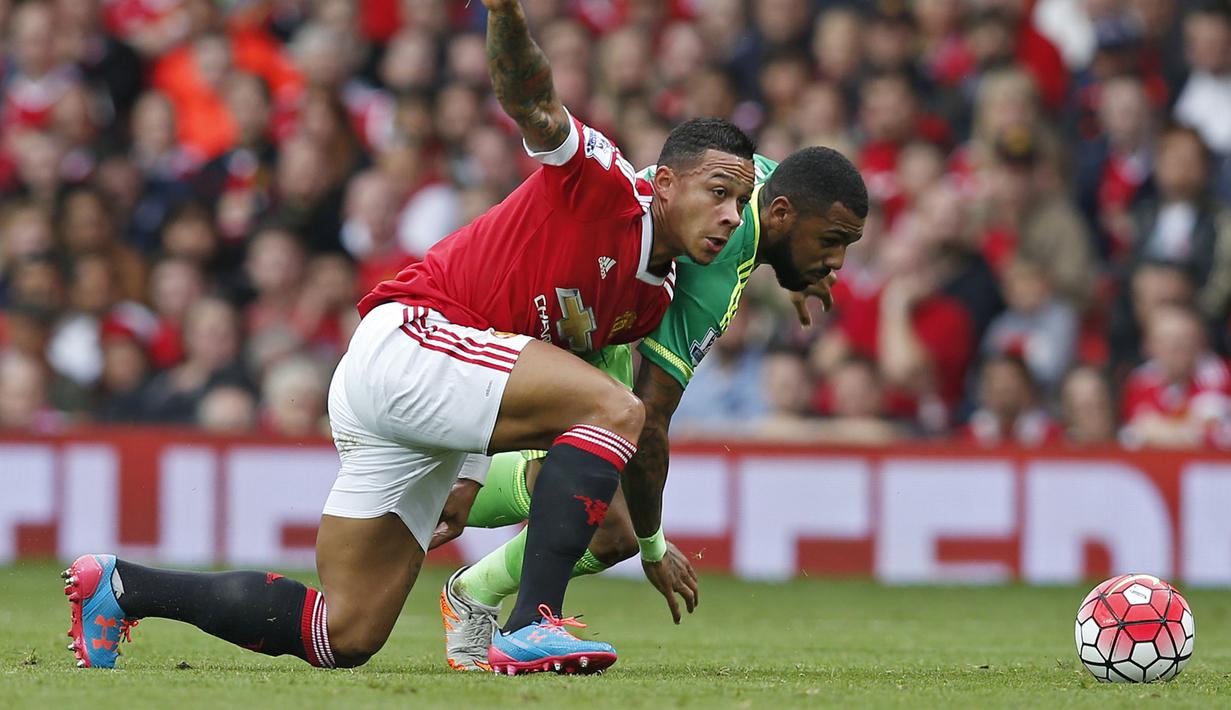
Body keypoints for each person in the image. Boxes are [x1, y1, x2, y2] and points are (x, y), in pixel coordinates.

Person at [64, 0, 756, 676]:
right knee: (616, 407)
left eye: (740, 203)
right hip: (414, 339)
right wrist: (505, 16)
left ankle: (123, 587)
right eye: (716, 192)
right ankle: (527, 623)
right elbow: (533, 101)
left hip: (416, 393)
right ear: (663, 183)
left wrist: (470, 469)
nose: (728, 216)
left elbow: (536, 372)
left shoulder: (647, 299)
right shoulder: (602, 183)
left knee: (344, 631)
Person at [434, 145, 868, 671]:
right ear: (780, 214)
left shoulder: (764, 180)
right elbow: (651, 422)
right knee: (617, 525)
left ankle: (472, 586)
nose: (838, 262)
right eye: (831, 242)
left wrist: (797, 268)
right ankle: (429, 513)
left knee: (606, 524)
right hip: (562, 310)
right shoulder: (716, 275)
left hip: (588, 307)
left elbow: (782, 209)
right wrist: (655, 546)